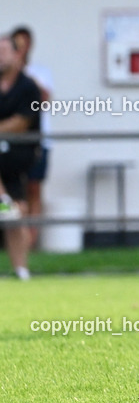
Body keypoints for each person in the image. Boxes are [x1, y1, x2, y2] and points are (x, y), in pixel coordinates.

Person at [0, 34, 42, 280]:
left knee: (15, 213)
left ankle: (21, 270)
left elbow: (22, 122)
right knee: (15, 211)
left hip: (16, 156)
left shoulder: (28, 87)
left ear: (17, 55)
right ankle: (4, 200)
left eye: (4, 51)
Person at [11, 26, 52, 249]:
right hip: (10, 144)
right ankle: (15, 235)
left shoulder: (38, 73)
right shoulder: (5, 77)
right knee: (10, 194)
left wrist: (25, 75)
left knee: (34, 189)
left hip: (35, 142)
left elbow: (44, 100)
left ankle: (31, 239)